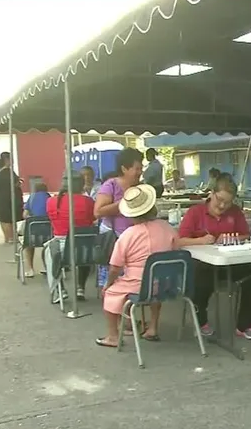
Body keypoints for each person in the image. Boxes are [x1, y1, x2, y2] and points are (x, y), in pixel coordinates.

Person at [177, 177, 251, 340]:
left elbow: (246, 234)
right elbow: (179, 241)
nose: (223, 206)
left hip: (228, 262)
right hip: (202, 264)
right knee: (201, 278)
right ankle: (201, 321)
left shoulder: (235, 212)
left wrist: (232, 238)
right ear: (212, 193)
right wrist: (200, 241)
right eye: (220, 200)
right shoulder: (195, 212)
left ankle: (244, 324)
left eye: (228, 202)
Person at [96, 184, 178, 347]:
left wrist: (108, 284)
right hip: (165, 284)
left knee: (110, 293)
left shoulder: (128, 235)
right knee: (156, 282)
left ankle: (112, 336)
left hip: (137, 286)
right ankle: (153, 327)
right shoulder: (167, 228)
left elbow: (114, 268)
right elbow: (175, 249)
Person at [94, 148, 144, 292]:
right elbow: (98, 212)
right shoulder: (111, 185)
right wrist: (125, 202)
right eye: (137, 168)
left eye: (141, 168)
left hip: (135, 242)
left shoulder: (140, 187)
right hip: (115, 241)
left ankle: (127, 311)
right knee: (114, 286)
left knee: (131, 286)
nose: (140, 172)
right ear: (124, 168)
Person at [44, 172, 96, 303]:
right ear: (81, 185)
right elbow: (92, 219)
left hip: (62, 249)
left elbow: (52, 221)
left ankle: (59, 289)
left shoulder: (51, 202)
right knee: (84, 249)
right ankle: (80, 288)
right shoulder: (88, 202)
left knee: (47, 253)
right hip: (85, 250)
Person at [0, 153, 24, 244]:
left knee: (3, 219)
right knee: (10, 219)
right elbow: (15, 184)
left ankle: (7, 238)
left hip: (0, 199)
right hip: (10, 199)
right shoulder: (9, 172)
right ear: (7, 160)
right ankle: (13, 238)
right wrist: (20, 181)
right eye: (11, 159)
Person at [21, 182, 51, 278]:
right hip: (48, 231)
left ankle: (30, 269)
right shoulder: (50, 198)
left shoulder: (32, 198)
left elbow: (25, 215)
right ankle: (46, 267)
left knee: (29, 245)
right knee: (48, 246)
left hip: (33, 231)